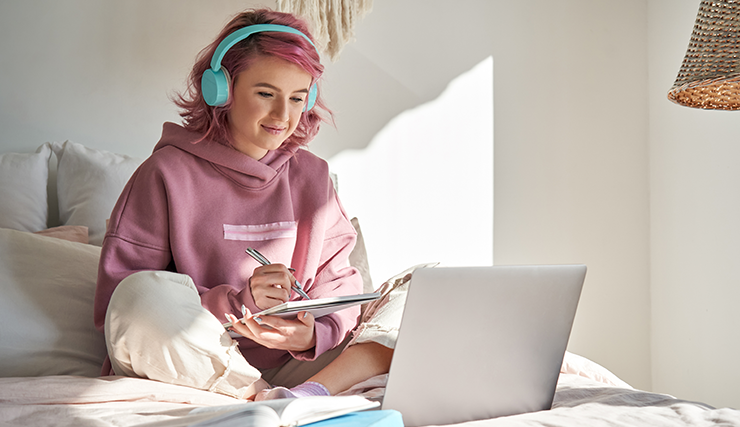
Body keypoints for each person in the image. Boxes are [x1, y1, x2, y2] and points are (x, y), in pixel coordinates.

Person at [93, 8, 392, 400]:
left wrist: (311, 334)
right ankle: (261, 396)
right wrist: (240, 303)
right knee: (138, 297)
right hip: (198, 359)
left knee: (410, 296)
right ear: (222, 90)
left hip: (296, 366)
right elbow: (121, 306)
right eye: (266, 93)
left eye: (297, 97)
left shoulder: (313, 177)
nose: (283, 116)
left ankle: (305, 396)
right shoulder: (165, 173)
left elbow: (339, 284)